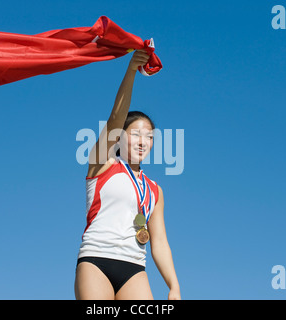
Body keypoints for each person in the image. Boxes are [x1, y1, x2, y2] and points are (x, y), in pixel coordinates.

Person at [74, 50, 180, 300]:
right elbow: (115, 118)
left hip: (135, 267)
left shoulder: (155, 190)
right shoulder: (102, 164)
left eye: (150, 137)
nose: (143, 141)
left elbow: (160, 242)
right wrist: (131, 71)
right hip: (96, 259)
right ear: (119, 138)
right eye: (136, 134)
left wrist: (173, 285)